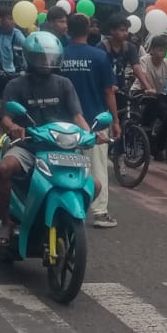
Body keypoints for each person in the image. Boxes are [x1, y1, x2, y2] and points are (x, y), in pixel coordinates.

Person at [0, 32, 88, 243]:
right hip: (28, 146)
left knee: (93, 184)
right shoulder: (16, 85)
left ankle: (67, 219)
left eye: (51, 58)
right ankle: (5, 222)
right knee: (5, 168)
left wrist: (89, 134)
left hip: (61, 148)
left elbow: (77, 116)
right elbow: (5, 119)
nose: (47, 63)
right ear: (30, 57)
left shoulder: (64, 84)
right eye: (42, 58)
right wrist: (15, 127)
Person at [59, 13, 119, 229]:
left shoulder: (60, 55)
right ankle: (100, 212)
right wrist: (116, 121)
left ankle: (65, 206)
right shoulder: (100, 56)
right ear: (88, 29)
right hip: (95, 122)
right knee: (97, 169)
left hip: (64, 122)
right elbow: (109, 92)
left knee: (65, 166)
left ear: (69, 30)